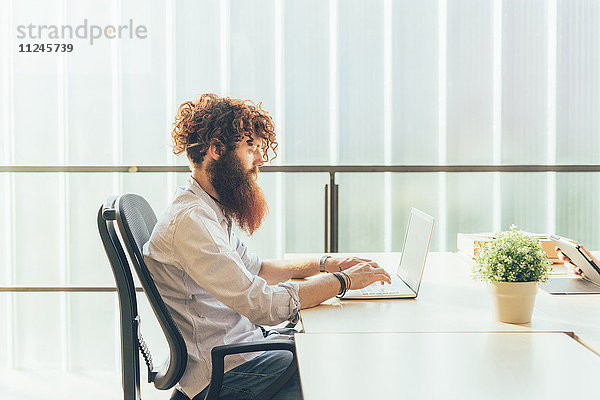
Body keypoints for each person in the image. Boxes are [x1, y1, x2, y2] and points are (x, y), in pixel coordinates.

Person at [143, 93, 391, 400]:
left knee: (328, 348)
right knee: (337, 368)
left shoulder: (206, 210)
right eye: (251, 148)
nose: (259, 159)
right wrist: (344, 282)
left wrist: (326, 264)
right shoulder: (192, 223)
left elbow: (259, 269)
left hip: (243, 352)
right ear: (216, 150)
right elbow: (264, 306)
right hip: (225, 373)